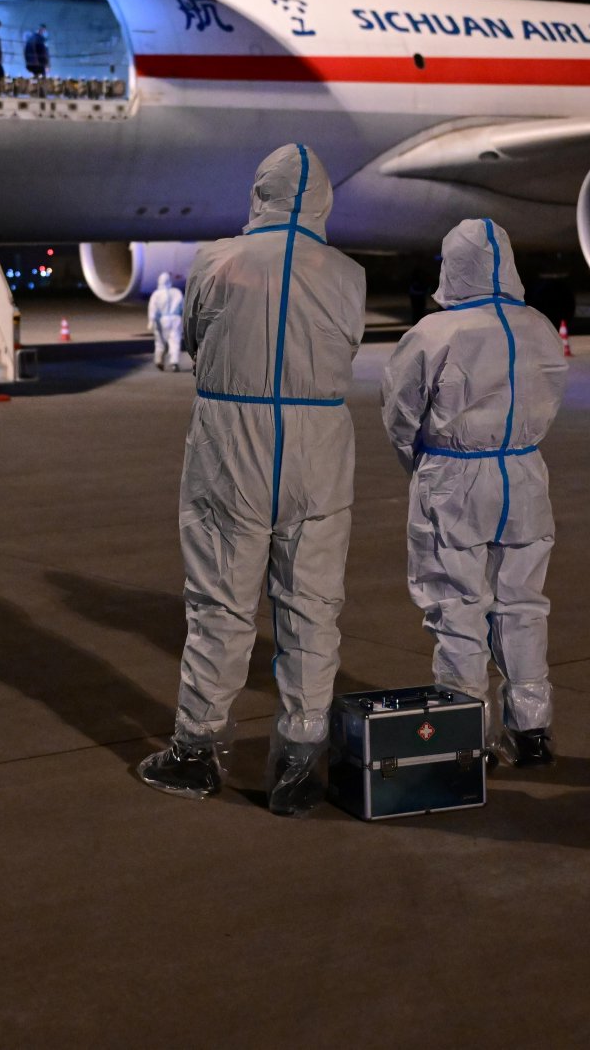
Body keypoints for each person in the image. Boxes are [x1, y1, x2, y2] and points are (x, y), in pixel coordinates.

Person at [137, 144, 366, 816]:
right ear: (322, 200)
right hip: (318, 447)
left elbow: (198, 339)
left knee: (221, 604)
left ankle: (198, 750)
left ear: (260, 192)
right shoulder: (348, 275)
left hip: (232, 441)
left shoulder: (216, 261)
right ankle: (300, 762)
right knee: (312, 606)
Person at [379, 219, 569, 768]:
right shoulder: (537, 327)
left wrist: (424, 464)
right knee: (523, 604)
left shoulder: (434, 333)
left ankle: (467, 736)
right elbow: (552, 395)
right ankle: (532, 730)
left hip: (456, 476)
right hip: (523, 472)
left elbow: (400, 414)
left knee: (457, 607)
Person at [146, 271, 184, 371]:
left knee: (160, 342)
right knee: (174, 341)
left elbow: (153, 309)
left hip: (162, 320)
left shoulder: (156, 294)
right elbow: (183, 307)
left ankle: (159, 360)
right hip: (175, 319)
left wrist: (151, 321)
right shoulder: (177, 292)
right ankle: (174, 362)